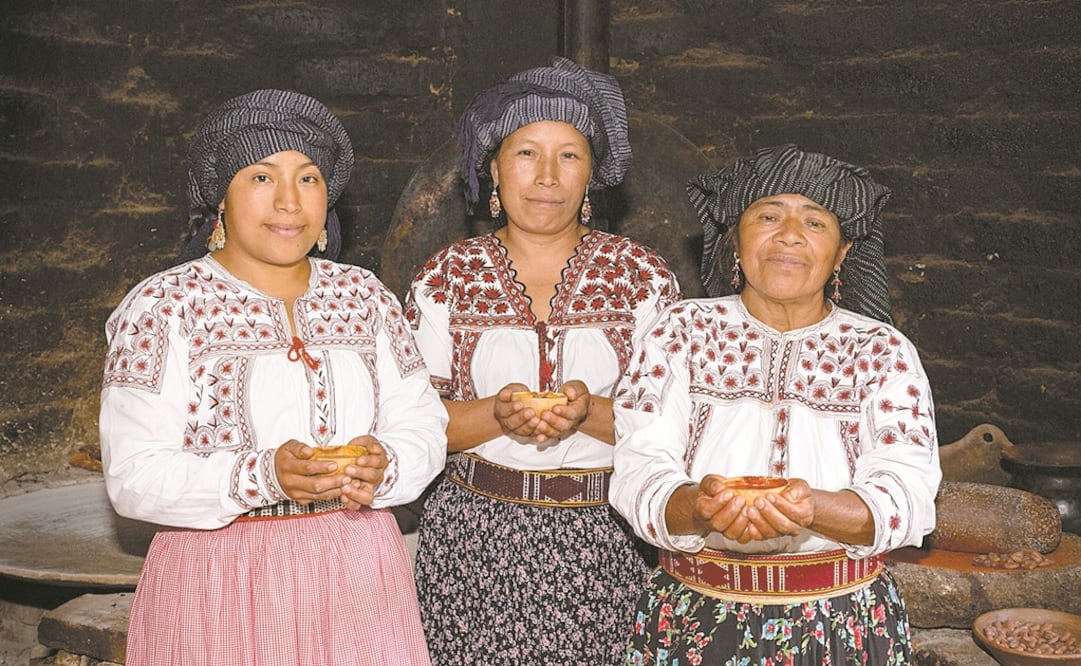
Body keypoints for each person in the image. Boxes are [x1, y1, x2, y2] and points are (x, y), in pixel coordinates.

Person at [99, 89, 448, 666]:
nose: (289, 201)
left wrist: (385, 462)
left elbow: (424, 425)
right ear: (221, 199)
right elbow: (133, 476)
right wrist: (261, 475)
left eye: (308, 179)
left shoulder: (363, 296)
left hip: (358, 572)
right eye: (262, 178)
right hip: (217, 578)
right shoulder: (163, 307)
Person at [610, 144, 942, 665]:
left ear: (842, 253)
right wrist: (701, 507)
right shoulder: (679, 333)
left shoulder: (881, 351)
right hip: (697, 619)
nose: (789, 234)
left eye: (815, 222)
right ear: (734, 242)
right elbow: (638, 469)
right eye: (768, 216)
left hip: (841, 624)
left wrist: (809, 509)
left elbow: (907, 494)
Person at [405, 56, 681, 665]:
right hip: (475, 542)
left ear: (591, 176)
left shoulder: (642, 279)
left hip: (609, 539)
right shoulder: (446, 279)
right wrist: (497, 416)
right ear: (494, 171)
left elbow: (677, 425)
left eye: (570, 155)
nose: (547, 176)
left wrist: (588, 413)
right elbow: (411, 423)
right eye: (527, 153)